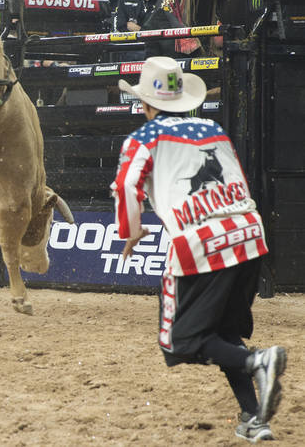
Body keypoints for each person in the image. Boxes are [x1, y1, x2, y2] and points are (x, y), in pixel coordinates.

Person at [112, 56, 285, 443]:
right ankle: (254, 418)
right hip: (248, 236)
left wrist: (131, 231)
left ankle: (258, 361)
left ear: (145, 104)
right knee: (222, 333)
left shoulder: (145, 137)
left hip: (200, 243)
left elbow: (126, 187)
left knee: (180, 341)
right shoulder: (214, 129)